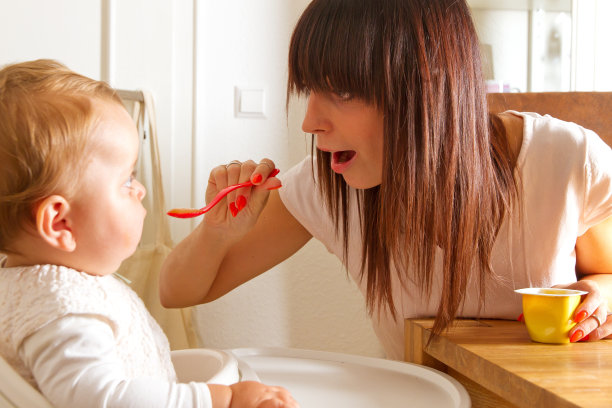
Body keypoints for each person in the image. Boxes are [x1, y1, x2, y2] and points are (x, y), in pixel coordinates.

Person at [160, 0, 612, 360]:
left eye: (340, 91)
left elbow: (606, 270)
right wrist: (216, 234)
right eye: (309, 91)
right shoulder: (328, 187)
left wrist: (603, 291)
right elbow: (177, 291)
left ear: (427, 84)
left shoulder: (564, 158)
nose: (310, 122)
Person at [0, 59, 298, 408]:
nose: (140, 190)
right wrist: (222, 399)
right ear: (60, 223)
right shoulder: (64, 309)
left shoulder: (31, 284)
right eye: (126, 179)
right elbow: (105, 400)